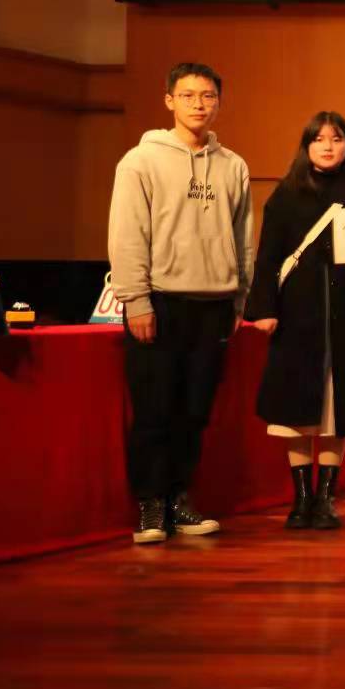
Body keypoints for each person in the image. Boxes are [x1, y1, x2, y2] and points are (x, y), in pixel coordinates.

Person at [108, 62, 254, 544]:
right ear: (169, 100)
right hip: (160, 302)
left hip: (215, 303)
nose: (198, 104)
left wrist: (239, 298)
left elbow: (243, 238)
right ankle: (150, 505)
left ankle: (179, 500)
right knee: (154, 409)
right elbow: (128, 233)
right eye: (188, 95)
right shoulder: (140, 161)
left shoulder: (233, 165)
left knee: (195, 411)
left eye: (208, 96)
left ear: (219, 103)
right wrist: (136, 299)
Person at [245, 112, 345, 531]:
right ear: (306, 146)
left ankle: (326, 499)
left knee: (336, 409)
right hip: (296, 316)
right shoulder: (285, 195)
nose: (328, 146)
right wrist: (265, 308)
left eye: (336, 139)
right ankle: (301, 498)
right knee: (296, 410)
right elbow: (268, 257)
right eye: (319, 139)